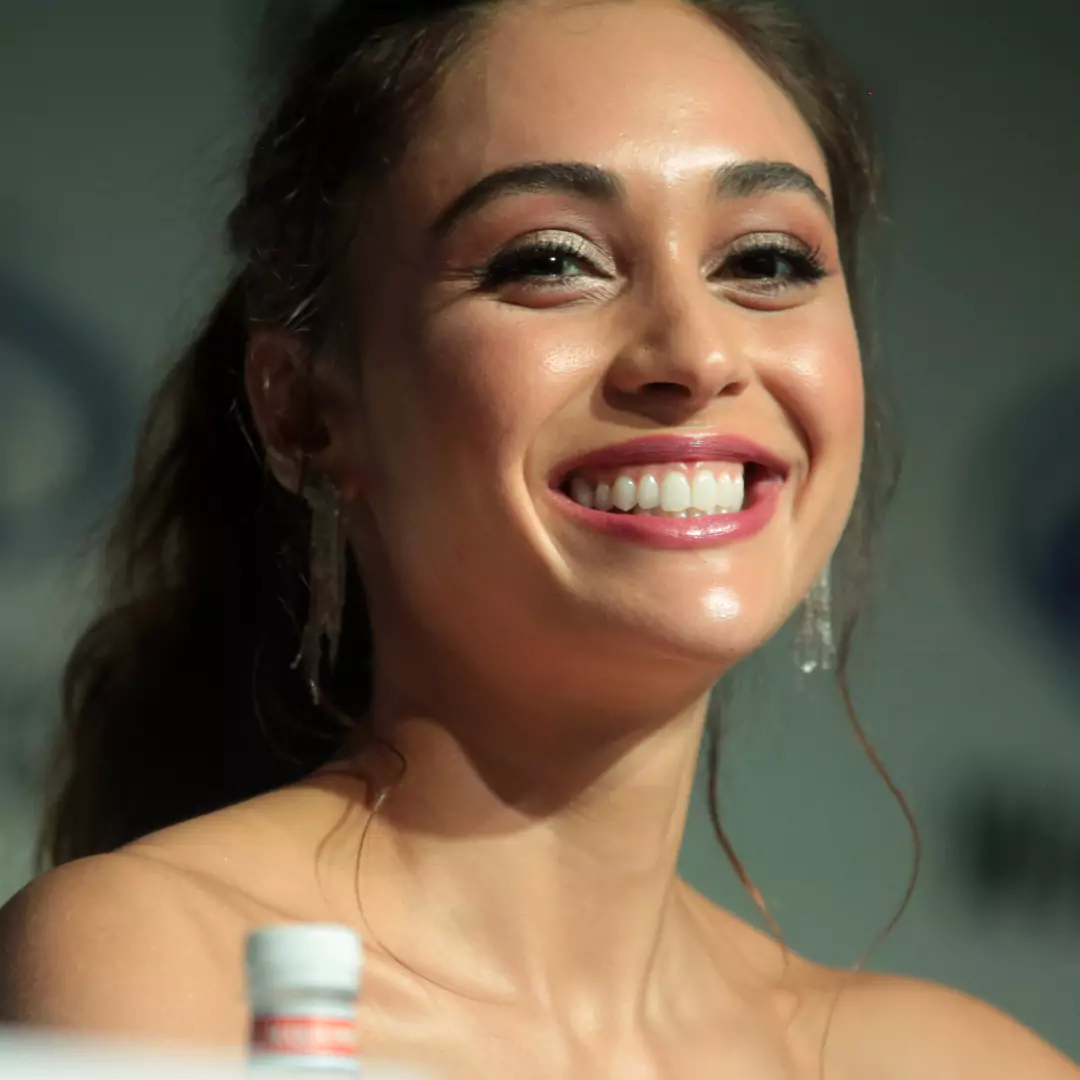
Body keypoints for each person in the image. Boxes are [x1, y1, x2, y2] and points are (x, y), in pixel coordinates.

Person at [0, 0, 1076, 1076]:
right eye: (553, 260)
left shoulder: (968, 1063)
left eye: (767, 261)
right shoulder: (174, 975)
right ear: (302, 411)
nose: (696, 355)